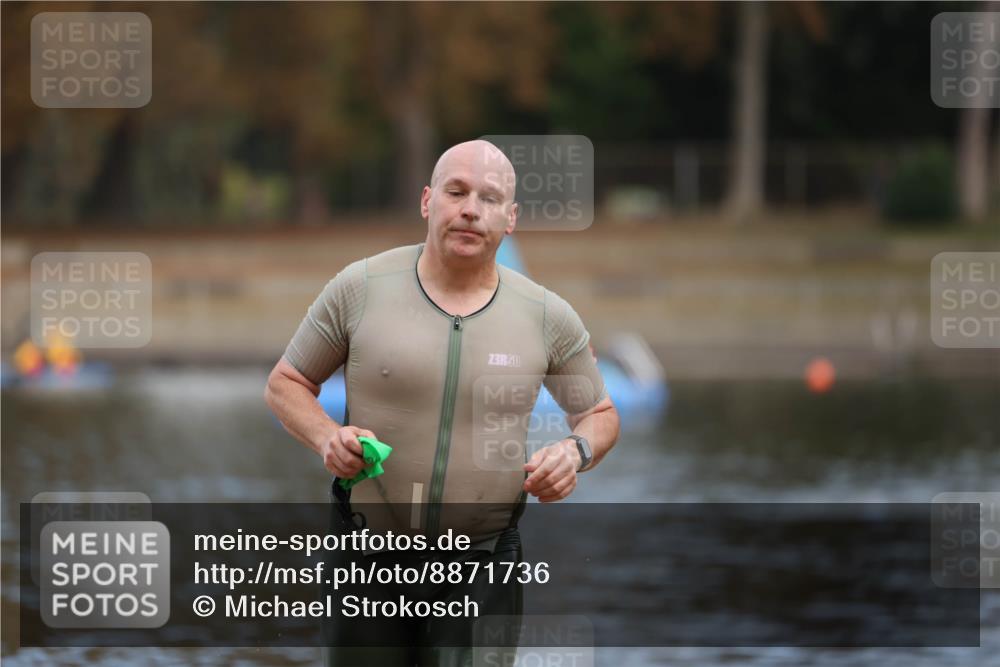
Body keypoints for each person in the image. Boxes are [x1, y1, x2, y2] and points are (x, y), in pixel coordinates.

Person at [265, 139, 620, 665]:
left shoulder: (547, 316)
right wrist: (325, 437)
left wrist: (574, 454)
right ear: (428, 201)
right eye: (456, 191)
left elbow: (598, 415)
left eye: (490, 198)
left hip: (483, 564)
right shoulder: (359, 287)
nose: (471, 209)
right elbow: (286, 383)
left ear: (511, 217)